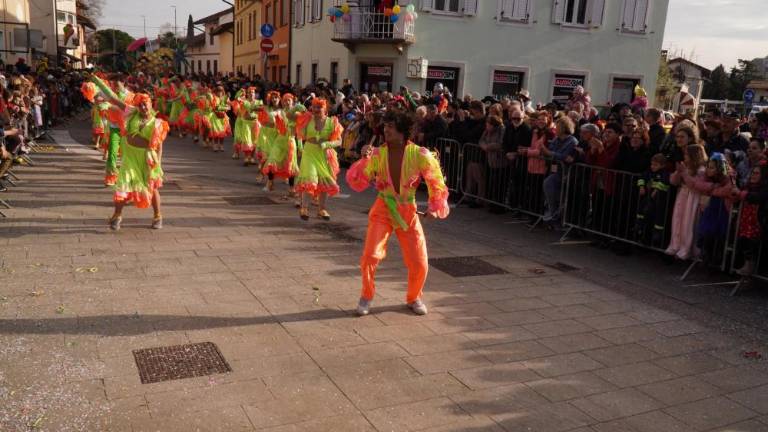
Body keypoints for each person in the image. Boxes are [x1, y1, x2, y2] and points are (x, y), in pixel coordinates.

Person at [346, 111, 449, 316]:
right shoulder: (377, 154)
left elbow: (436, 181)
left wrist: (434, 207)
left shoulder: (419, 154)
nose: (386, 130)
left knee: (419, 261)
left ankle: (414, 297)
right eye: (385, 126)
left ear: (402, 131)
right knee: (370, 256)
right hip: (383, 209)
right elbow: (358, 181)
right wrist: (364, 158)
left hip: (407, 212)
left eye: (390, 126)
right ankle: (366, 295)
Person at [91, 75, 169, 231]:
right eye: (140, 105)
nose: (143, 108)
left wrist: (158, 164)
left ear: (150, 104)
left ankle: (157, 216)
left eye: (145, 104)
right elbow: (113, 99)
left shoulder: (158, 123)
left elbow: (159, 146)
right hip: (129, 159)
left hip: (147, 160)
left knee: (152, 188)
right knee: (122, 187)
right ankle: (117, 216)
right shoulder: (131, 112)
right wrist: (97, 81)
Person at [294, 98, 343, 220]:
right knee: (310, 179)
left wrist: (327, 144)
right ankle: (304, 208)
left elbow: (339, 141)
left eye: (319, 107)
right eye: (314, 107)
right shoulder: (307, 119)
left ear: (325, 109)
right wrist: (296, 108)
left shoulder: (332, 122)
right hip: (309, 152)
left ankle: (321, 209)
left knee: (323, 182)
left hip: (324, 155)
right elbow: (297, 130)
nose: (316, 109)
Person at [666, 140, 708, 260]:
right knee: (678, 219)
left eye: (687, 155)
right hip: (683, 195)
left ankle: (687, 248)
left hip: (693, 198)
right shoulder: (686, 167)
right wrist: (678, 173)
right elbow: (673, 182)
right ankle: (675, 245)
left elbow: (694, 185)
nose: (685, 157)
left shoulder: (701, 170)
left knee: (688, 223)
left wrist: (684, 173)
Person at [540, 116, 577, 226]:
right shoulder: (556, 139)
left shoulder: (572, 141)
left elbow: (564, 156)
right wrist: (547, 153)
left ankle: (555, 213)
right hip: (554, 170)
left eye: (558, 126)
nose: (556, 128)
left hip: (565, 173)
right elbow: (551, 151)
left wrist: (549, 153)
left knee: (548, 184)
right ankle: (554, 213)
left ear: (564, 127)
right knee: (551, 190)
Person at [732, 165, 768, 275]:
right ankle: (745, 265)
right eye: (753, 172)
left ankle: (751, 266)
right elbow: (737, 196)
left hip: (757, 222)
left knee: (750, 243)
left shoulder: (764, 188)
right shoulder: (747, 186)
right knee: (742, 241)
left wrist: (741, 193)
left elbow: (757, 198)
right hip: (745, 221)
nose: (753, 175)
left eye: (757, 173)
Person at [636, 153, 671, 247]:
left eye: (655, 165)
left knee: (658, 217)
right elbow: (642, 177)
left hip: (659, 200)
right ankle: (639, 224)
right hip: (648, 198)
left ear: (662, 165)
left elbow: (664, 182)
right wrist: (641, 186)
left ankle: (657, 234)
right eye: (652, 164)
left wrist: (656, 190)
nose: (652, 166)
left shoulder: (664, 173)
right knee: (642, 210)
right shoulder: (649, 171)